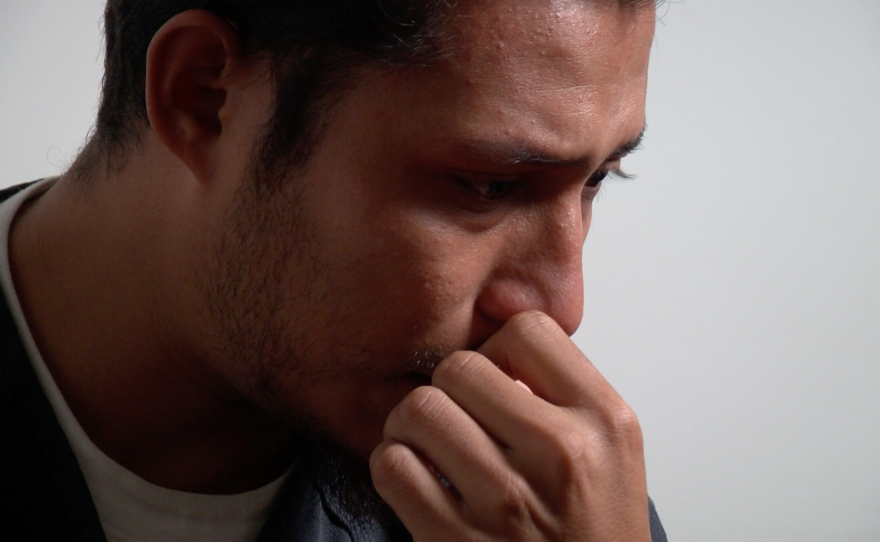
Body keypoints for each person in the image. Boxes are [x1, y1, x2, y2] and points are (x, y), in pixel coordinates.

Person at [0, 0, 667, 540]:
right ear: (201, 98)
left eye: (595, 182)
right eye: (485, 186)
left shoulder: (551, 508)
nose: (561, 309)